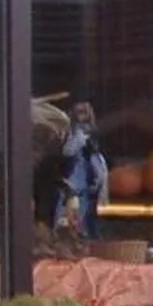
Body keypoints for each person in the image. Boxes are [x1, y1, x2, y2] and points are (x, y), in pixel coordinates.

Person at [56, 101, 108, 236]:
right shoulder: (70, 135)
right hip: (72, 190)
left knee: (86, 223)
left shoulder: (91, 140)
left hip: (87, 191)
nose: (83, 116)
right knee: (71, 223)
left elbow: (97, 165)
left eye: (85, 112)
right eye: (79, 112)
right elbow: (68, 151)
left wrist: (99, 184)